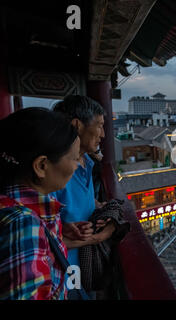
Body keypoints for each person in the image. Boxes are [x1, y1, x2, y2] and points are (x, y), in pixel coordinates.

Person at [0, 108, 80, 299]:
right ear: (42, 166)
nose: (76, 166)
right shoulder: (22, 224)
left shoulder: (15, 209)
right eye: (75, 158)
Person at [51, 96, 116, 280]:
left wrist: (97, 206)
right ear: (77, 125)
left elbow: (79, 198)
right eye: (99, 125)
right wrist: (98, 237)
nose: (103, 134)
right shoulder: (54, 172)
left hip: (84, 267)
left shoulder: (87, 160)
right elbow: (43, 238)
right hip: (62, 270)